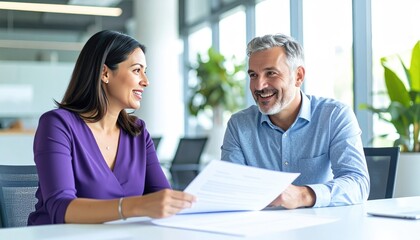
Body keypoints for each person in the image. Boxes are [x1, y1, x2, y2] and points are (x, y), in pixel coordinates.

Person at [28, 30, 196, 225]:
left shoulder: (138, 132)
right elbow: (61, 207)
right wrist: (136, 206)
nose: (146, 81)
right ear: (105, 73)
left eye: (145, 71)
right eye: (136, 70)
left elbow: (162, 197)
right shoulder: (58, 125)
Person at [221, 33, 370, 209]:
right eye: (253, 75)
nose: (259, 86)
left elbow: (358, 184)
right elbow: (229, 190)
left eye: (271, 73)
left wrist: (303, 195)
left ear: (298, 76)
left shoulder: (334, 116)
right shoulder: (239, 125)